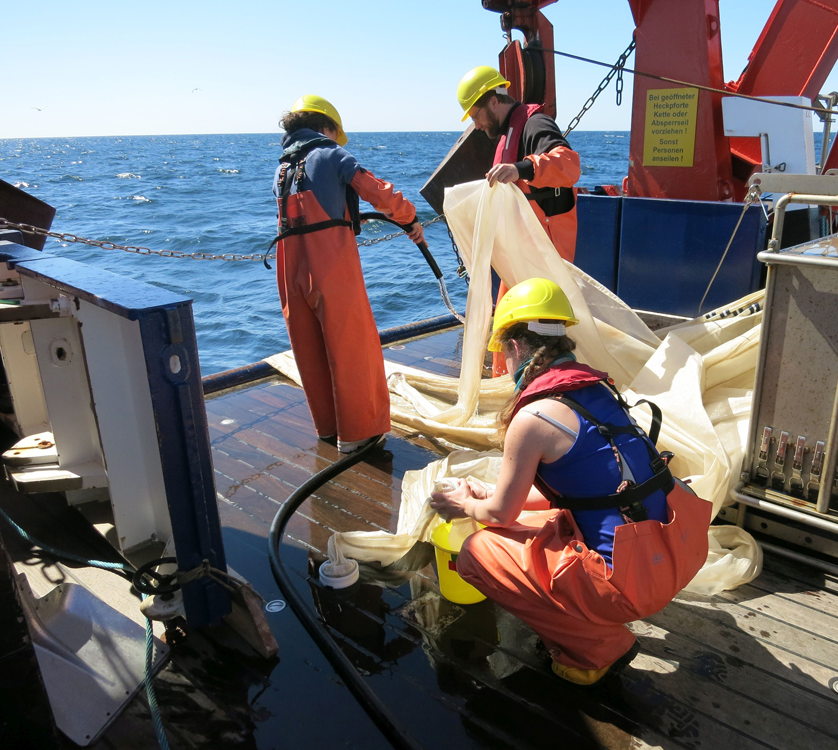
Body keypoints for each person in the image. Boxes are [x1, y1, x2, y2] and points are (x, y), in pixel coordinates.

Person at [430, 278, 711, 686]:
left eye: (501, 354)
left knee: (478, 551)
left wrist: (464, 504)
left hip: (630, 584)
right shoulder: (597, 388)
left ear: (512, 348)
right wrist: (489, 493)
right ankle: (593, 617)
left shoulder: (534, 418)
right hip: (676, 551)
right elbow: (585, 492)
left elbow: (498, 515)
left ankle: (595, 649)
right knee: (536, 526)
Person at [272, 95, 425, 453]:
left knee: (309, 347)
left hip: (289, 264)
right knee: (352, 345)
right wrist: (410, 219)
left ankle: (327, 429)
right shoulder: (330, 153)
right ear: (326, 128)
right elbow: (378, 193)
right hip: (330, 262)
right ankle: (357, 433)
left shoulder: (281, 168)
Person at [456, 66, 582, 376]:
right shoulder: (506, 133)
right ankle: (510, 387)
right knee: (508, 323)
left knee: (536, 332)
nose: (477, 123)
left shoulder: (535, 124)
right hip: (520, 254)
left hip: (543, 254)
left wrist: (522, 168)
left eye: (476, 115)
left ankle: (542, 391)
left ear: (494, 102)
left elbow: (568, 164)